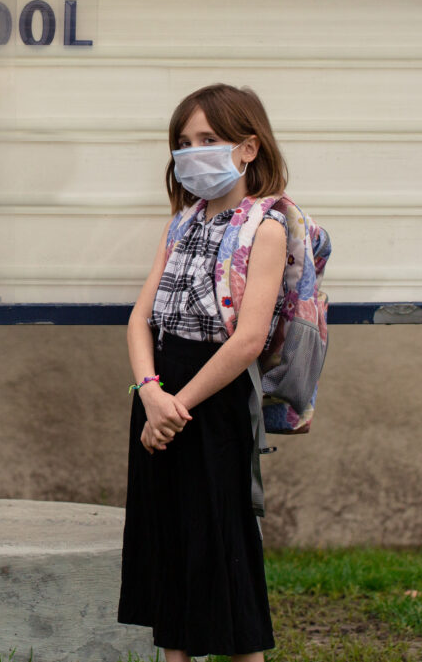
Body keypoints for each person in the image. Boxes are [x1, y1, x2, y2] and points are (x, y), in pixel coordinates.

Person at [118, 84, 287, 662]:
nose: (192, 152)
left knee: (223, 553)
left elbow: (247, 341)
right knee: (171, 553)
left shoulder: (264, 229)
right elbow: (141, 317)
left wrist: (175, 408)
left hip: (211, 405)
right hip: (160, 397)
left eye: (208, 140)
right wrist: (150, 394)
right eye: (184, 142)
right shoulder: (180, 223)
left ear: (247, 148)